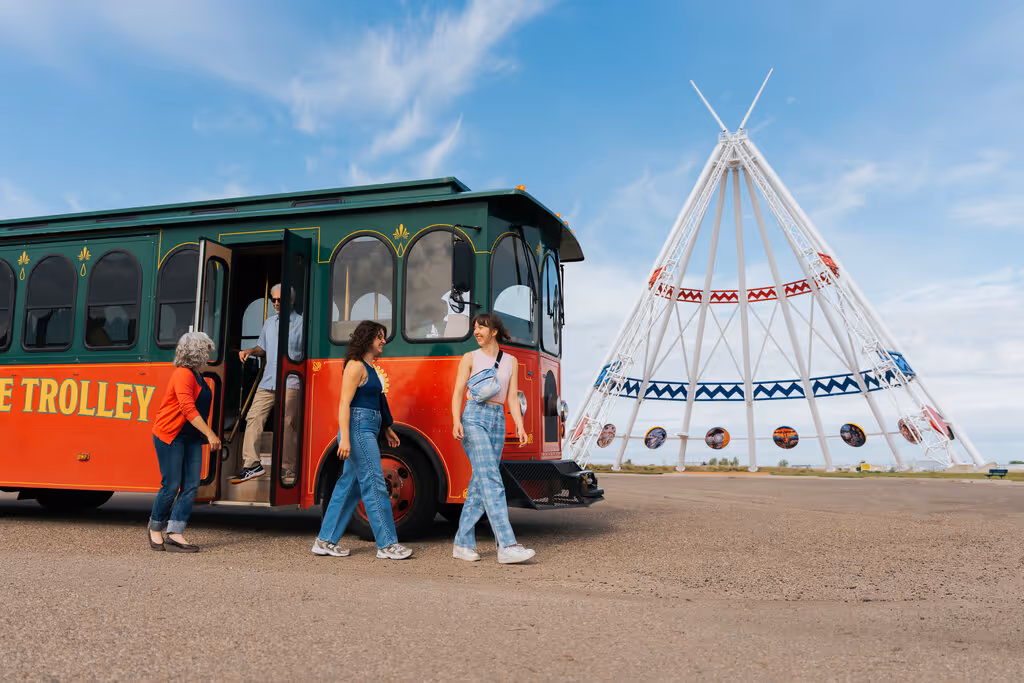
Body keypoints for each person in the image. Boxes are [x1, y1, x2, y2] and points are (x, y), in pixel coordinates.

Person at [312, 321, 413, 560]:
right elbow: (344, 403)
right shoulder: (355, 366)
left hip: (368, 427)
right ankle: (387, 545)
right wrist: (344, 438)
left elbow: (378, 399)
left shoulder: (369, 366)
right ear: (367, 339)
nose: (383, 341)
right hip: (358, 428)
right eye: (379, 337)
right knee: (375, 483)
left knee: (351, 486)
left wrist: (386, 427)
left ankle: (325, 540)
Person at [450, 313, 535, 564]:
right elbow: (457, 392)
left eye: (481, 328)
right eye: (474, 328)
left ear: (494, 332)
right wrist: (456, 420)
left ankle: (462, 543)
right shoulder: (469, 358)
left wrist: (519, 426)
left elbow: (511, 398)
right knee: (491, 479)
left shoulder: (511, 361)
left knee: (480, 484)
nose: (476, 332)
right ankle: (507, 545)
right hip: (473, 418)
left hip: (498, 420)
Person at [148, 332, 222, 552]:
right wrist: (210, 434)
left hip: (190, 438)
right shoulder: (183, 374)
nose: (209, 353)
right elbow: (187, 408)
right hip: (171, 435)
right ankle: (155, 528)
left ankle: (175, 532)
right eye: (206, 349)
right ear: (197, 352)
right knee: (171, 486)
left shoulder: (198, 375)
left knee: (190, 486)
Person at [233, 284, 302, 485]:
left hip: (291, 381)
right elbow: (263, 348)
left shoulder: (301, 323)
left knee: (289, 425)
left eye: (281, 300)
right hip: (268, 381)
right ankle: (252, 465)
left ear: (291, 301)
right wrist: (249, 351)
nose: (277, 303)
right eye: (274, 300)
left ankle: (288, 471)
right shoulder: (269, 323)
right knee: (253, 417)